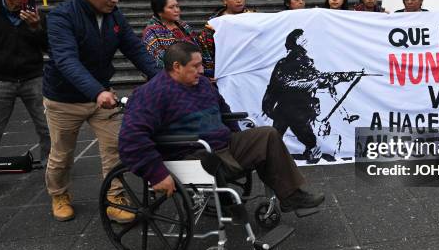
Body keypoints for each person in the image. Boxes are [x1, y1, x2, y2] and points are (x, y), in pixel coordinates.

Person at [118, 42, 325, 212]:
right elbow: (131, 138)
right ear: (176, 66)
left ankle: (290, 196)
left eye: (201, 65)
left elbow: (224, 112)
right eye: (195, 66)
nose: (202, 70)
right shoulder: (151, 94)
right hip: (189, 154)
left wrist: (238, 137)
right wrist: (156, 174)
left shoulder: (203, 85)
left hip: (221, 145)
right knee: (210, 158)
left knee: (268, 135)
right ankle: (226, 201)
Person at [43, 0, 160, 223]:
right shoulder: (62, 17)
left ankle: (114, 196)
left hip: (102, 97)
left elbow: (134, 48)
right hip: (64, 99)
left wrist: (163, 77)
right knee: (61, 155)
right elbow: (66, 60)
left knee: (116, 147)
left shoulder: (114, 15)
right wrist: (96, 91)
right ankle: (59, 194)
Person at [262, 29, 354, 164]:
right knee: (304, 135)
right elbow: (285, 83)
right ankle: (309, 151)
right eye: (303, 41)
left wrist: (339, 77)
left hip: (286, 108)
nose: (306, 43)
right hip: (295, 108)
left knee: (285, 133)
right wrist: (332, 79)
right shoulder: (297, 62)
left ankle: (276, 156)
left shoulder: (291, 62)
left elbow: (317, 78)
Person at [0, 0, 50, 164]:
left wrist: (36, 27)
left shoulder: (36, 14)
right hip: (0, 79)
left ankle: (51, 165)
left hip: (33, 76)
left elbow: (48, 46)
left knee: (46, 126)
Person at [198, 0, 253, 79]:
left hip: (249, 68)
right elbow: (206, 48)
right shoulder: (214, 24)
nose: (239, 0)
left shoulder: (254, 18)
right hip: (224, 70)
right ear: (224, 0)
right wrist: (212, 73)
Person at [142, 0, 203, 68]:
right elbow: (156, 61)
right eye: (171, 7)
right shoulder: (151, 32)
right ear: (159, 12)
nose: (176, 10)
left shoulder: (184, 27)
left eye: (177, 6)